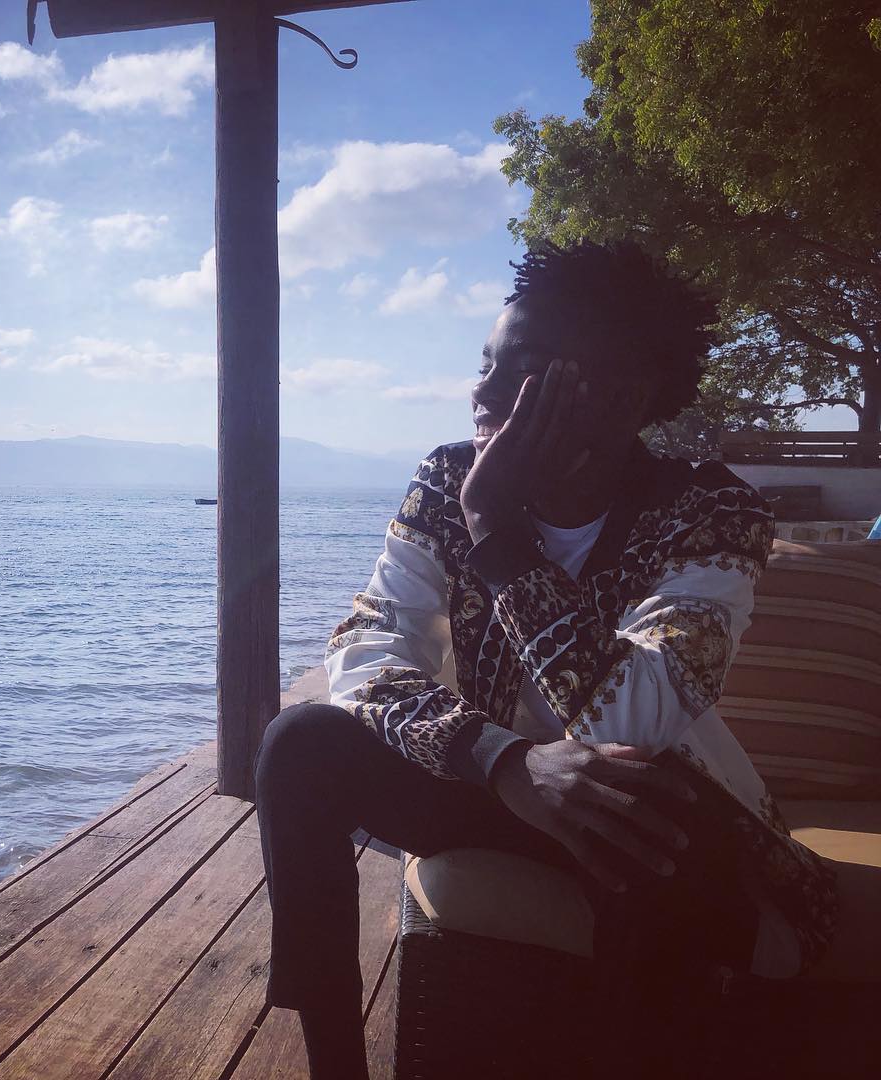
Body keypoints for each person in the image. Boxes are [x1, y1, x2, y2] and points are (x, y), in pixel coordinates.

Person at [252, 239, 840, 1079]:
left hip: (635, 811)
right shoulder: (447, 480)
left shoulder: (710, 509)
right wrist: (502, 761)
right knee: (300, 744)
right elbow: (364, 646)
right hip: (492, 782)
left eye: (523, 370)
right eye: (485, 364)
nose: (483, 392)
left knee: (644, 797)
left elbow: (637, 715)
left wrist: (496, 529)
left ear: (623, 397)